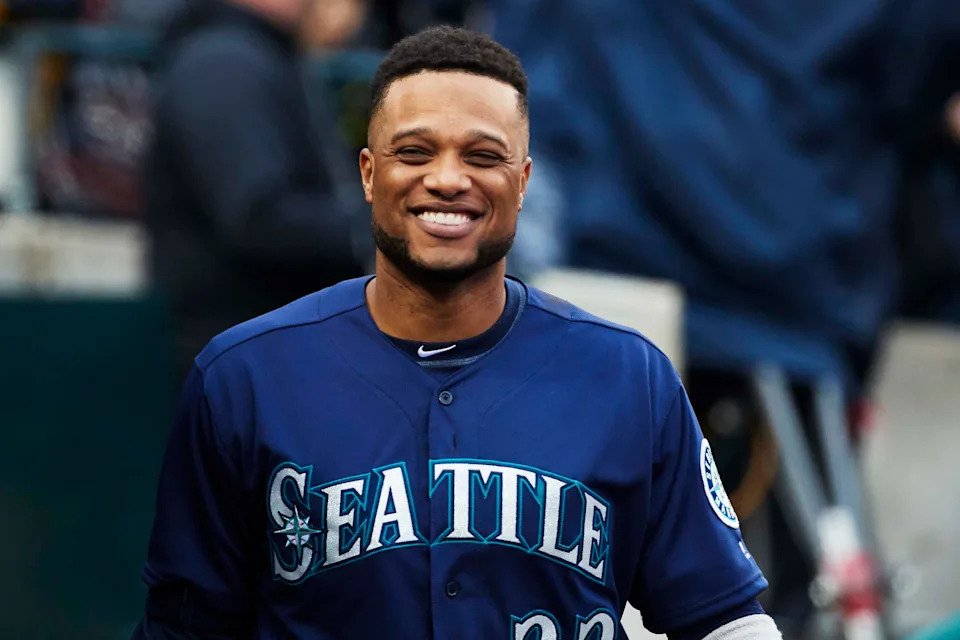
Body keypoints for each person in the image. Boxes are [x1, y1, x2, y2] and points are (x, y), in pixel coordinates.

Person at [134, 26, 781, 639]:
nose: (447, 179)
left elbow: (725, 619)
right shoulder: (245, 377)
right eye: (414, 152)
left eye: (483, 156)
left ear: (522, 183)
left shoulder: (626, 376)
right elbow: (185, 627)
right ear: (368, 174)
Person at [146, 0, 369, 373]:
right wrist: (380, 229)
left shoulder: (255, 53)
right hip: (241, 348)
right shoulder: (224, 63)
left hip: (267, 343)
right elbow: (258, 215)